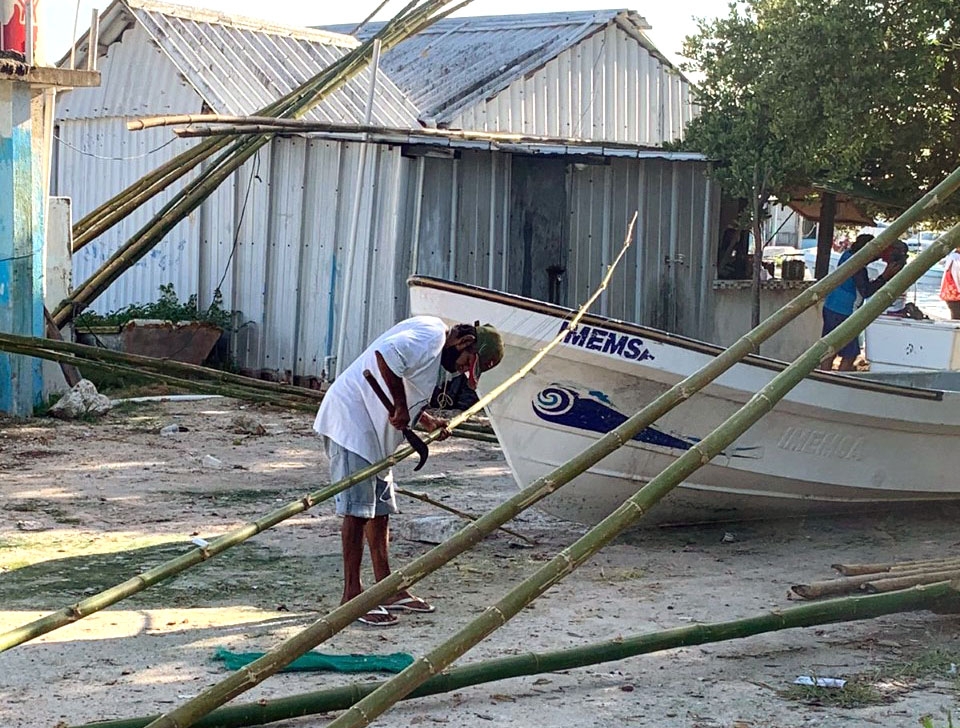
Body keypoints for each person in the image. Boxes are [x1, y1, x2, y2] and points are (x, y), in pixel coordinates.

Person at [314, 316, 504, 626]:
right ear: (464, 343)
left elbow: (403, 376)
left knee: (381, 509)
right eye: (467, 363)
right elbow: (386, 356)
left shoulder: (431, 344)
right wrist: (401, 407)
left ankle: (387, 588)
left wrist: (425, 420)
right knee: (357, 510)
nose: (461, 371)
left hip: (375, 433)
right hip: (351, 422)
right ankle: (352, 596)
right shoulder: (431, 335)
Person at [820, 234, 905, 371]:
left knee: (830, 348)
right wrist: (884, 276)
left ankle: (823, 376)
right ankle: (841, 381)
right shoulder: (857, 265)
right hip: (845, 312)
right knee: (850, 355)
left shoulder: (847, 255)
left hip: (831, 306)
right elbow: (866, 291)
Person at [940, 246, 960, 320]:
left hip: (949, 292)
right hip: (955, 293)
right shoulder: (956, 259)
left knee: (955, 315)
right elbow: (957, 276)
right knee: (957, 316)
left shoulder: (952, 257)